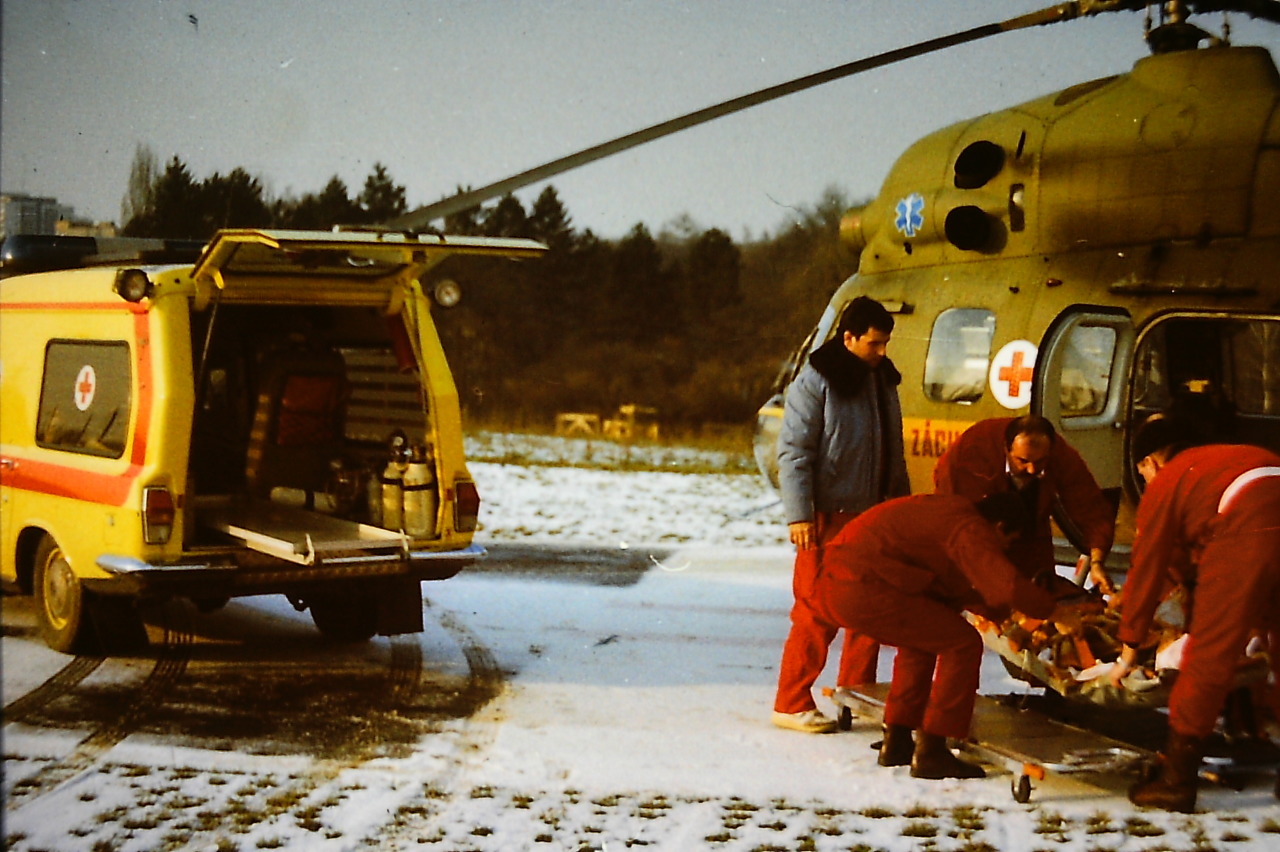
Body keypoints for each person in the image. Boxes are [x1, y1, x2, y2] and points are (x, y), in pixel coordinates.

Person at [816, 492, 1072, 778]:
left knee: (925, 639)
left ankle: (898, 737)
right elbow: (1005, 584)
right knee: (962, 644)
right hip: (863, 586)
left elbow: (949, 584)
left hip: (842, 581)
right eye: (1007, 543)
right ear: (998, 526)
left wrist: (997, 615)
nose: (1003, 550)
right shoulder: (969, 527)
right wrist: (1056, 613)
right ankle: (933, 750)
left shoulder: (950, 511)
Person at [1108, 417, 1280, 812]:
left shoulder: (1168, 482)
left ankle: (1176, 779)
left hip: (1248, 524)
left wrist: (1130, 646)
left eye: (1143, 472)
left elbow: (1146, 567)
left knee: (1208, 654)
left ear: (1150, 462)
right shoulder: (1231, 458)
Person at [772, 296, 910, 733]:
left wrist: (899, 510)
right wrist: (800, 515)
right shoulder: (816, 381)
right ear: (848, 338)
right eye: (874, 344)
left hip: (874, 516)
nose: (882, 352)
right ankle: (791, 702)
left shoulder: (882, 380)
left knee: (870, 610)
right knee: (816, 609)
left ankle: (858, 694)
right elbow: (793, 452)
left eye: (886, 343)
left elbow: (894, 454)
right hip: (827, 516)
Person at [933, 415, 1116, 593]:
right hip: (978, 536)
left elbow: (1092, 509)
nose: (1032, 470)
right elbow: (955, 523)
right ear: (1006, 449)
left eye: (1040, 462)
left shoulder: (1060, 454)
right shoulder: (972, 454)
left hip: (1033, 534)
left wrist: (1097, 563)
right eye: (1022, 461)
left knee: (1041, 595)